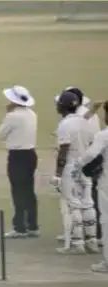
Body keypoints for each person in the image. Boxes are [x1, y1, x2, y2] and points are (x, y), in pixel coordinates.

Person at [52, 91, 99, 255]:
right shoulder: (86, 122)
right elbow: (93, 144)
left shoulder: (64, 125)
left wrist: (57, 174)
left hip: (70, 168)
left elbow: (63, 151)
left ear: (63, 107)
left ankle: (77, 244)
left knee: (74, 205)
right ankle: (92, 241)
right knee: (88, 203)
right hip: (86, 166)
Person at [0, 85, 38, 238]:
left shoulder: (12, 116)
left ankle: (20, 227)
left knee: (18, 191)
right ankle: (32, 225)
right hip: (30, 154)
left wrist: (7, 114)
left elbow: (1, 135)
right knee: (29, 191)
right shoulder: (32, 114)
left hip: (17, 156)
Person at [74, 102, 108, 272]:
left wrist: (78, 163)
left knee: (106, 220)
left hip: (106, 184)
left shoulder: (104, 135)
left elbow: (90, 154)